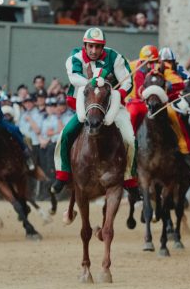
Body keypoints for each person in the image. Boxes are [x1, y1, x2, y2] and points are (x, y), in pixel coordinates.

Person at [50, 27, 138, 195]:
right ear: (85, 45)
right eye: (90, 46)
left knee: (130, 139)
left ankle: (129, 179)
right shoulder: (75, 58)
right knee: (65, 134)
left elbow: (127, 82)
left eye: (98, 47)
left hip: (111, 104)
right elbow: (74, 77)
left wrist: (116, 94)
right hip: (85, 105)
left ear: (103, 47)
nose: (94, 51)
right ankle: (62, 175)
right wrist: (94, 82)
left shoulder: (115, 57)